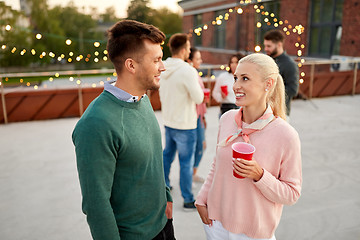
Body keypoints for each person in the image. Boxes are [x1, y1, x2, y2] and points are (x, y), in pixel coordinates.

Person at [72, 20, 175, 240]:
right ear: (131, 65)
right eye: (156, 60)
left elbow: (153, 159)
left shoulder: (142, 100)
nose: (163, 66)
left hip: (163, 225)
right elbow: (96, 204)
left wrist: (166, 196)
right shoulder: (96, 124)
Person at [195, 53, 302, 240]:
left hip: (253, 233)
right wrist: (202, 199)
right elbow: (216, 164)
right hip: (215, 223)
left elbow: (292, 194)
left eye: (245, 78)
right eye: (236, 78)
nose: (236, 86)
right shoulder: (227, 119)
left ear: (268, 84)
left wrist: (260, 175)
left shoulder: (286, 135)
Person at [159, 33, 204, 210]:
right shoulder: (188, 70)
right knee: (186, 162)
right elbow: (199, 98)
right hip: (185, 124)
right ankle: (187, 199)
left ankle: (165, 186)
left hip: (168, 121)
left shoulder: (162, 67)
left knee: (167, 156)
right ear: (184, 49)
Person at [264, 29, 299, 117]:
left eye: (269, 46)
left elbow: (293, 90)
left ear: (279, 45)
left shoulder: (289, 64)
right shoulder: (267, 60)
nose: (266, 49)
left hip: (280, 113)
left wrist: (270, 92)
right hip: (265, 111)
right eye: (265, 46)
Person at [186, 47, 207, 183]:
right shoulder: (190, 75)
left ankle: (193, 173)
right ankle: (190, 175)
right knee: (197, 146)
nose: (200, 61)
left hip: (199, 115)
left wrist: (203, 116)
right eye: (197, 58)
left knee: (201, 145)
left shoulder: (195, 74)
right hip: (192, 116)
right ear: (190, 60)